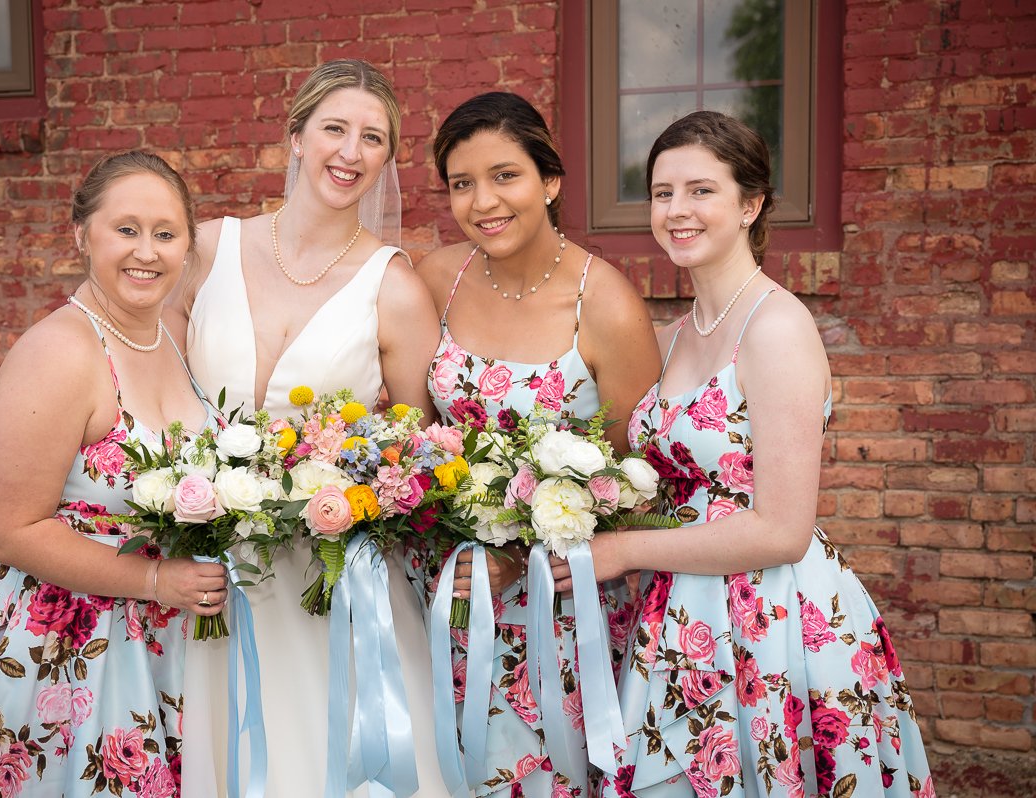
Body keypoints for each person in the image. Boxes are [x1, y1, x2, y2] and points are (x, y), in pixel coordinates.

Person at [549, 111, 933, 797]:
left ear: (750, 204)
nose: (677, 211)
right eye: (663, 193)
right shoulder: (666, 340)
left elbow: (782, 531)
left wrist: (626, 551)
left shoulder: (778, 327)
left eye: (701, 191)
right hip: (677, 612)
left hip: (772, 618)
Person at [0, 151, 227, 797]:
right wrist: (156, 579)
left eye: (165, 233)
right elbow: (12, 530)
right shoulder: (60, 351)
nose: (147, 252)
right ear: (83, 234)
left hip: (159, 621)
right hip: (52, 634)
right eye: (126, 229)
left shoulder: (175, 335)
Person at [178, 59, 446, 795]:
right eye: (334, 128)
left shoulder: (394, 285)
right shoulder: (207, 249)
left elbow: (410, 456)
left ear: (388, 159)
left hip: (328, 584)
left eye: (373, 138)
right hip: (200, 567)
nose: (350, 153)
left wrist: (348, 487)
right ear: (295, 137)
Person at [407, 92, 661, 797]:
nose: (483, 201)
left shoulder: (605, 306)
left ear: (550, 181)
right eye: (462, 183)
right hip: (438, 587)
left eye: (505, 176)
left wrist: (519, 556)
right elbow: (408, 427)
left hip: (554, 610)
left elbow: (631, 484)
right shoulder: (437, 279)